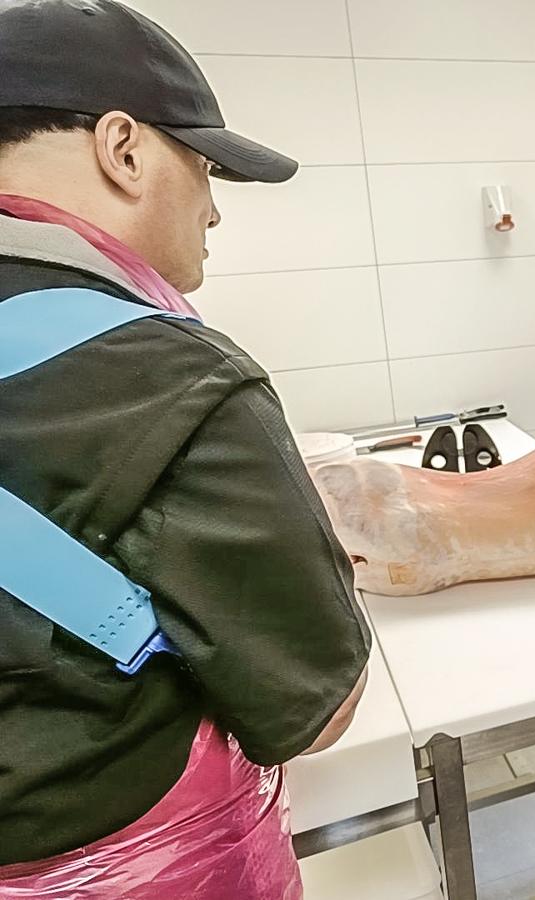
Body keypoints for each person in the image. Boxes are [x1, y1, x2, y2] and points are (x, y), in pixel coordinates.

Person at [0, 2, 369, 897]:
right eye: (202, 170)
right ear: (122, 149)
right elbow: (316, 711)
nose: (212, 212)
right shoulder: (177, 379)